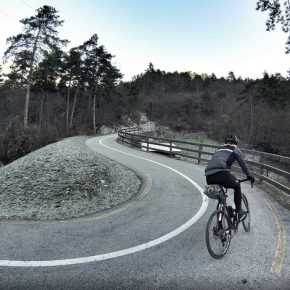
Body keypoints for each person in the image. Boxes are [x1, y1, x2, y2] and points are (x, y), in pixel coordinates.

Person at [205, 134, 255, 222]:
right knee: (237, 185)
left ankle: (222, 217)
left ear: (225, 143)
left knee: (221, 197)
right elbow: (242, 164)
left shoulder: (218, 149)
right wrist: (249, 176)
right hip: (222, 173)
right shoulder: (235, 149)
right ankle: (239, 212)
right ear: (236, 143)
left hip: (209, 175)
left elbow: (216, 162)